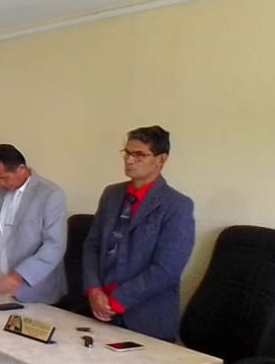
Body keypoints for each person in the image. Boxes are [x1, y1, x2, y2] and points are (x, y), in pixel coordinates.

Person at [82, 125, 195, 342]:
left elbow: (167, 269)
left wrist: (117, 300)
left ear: (161, 160)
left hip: (144, 318)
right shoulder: (111, 194)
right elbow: (92, 245)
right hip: (99, 309)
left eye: (139, 155)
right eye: (127, 153)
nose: (129, 160)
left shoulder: (177, 205)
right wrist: (93, 289)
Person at [0, 144, 67, 303]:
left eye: (4, 177)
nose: (1, 183)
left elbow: (55, 246)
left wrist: (20, 275)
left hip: (34, 292)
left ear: (21, 169)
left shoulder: (51, 194)